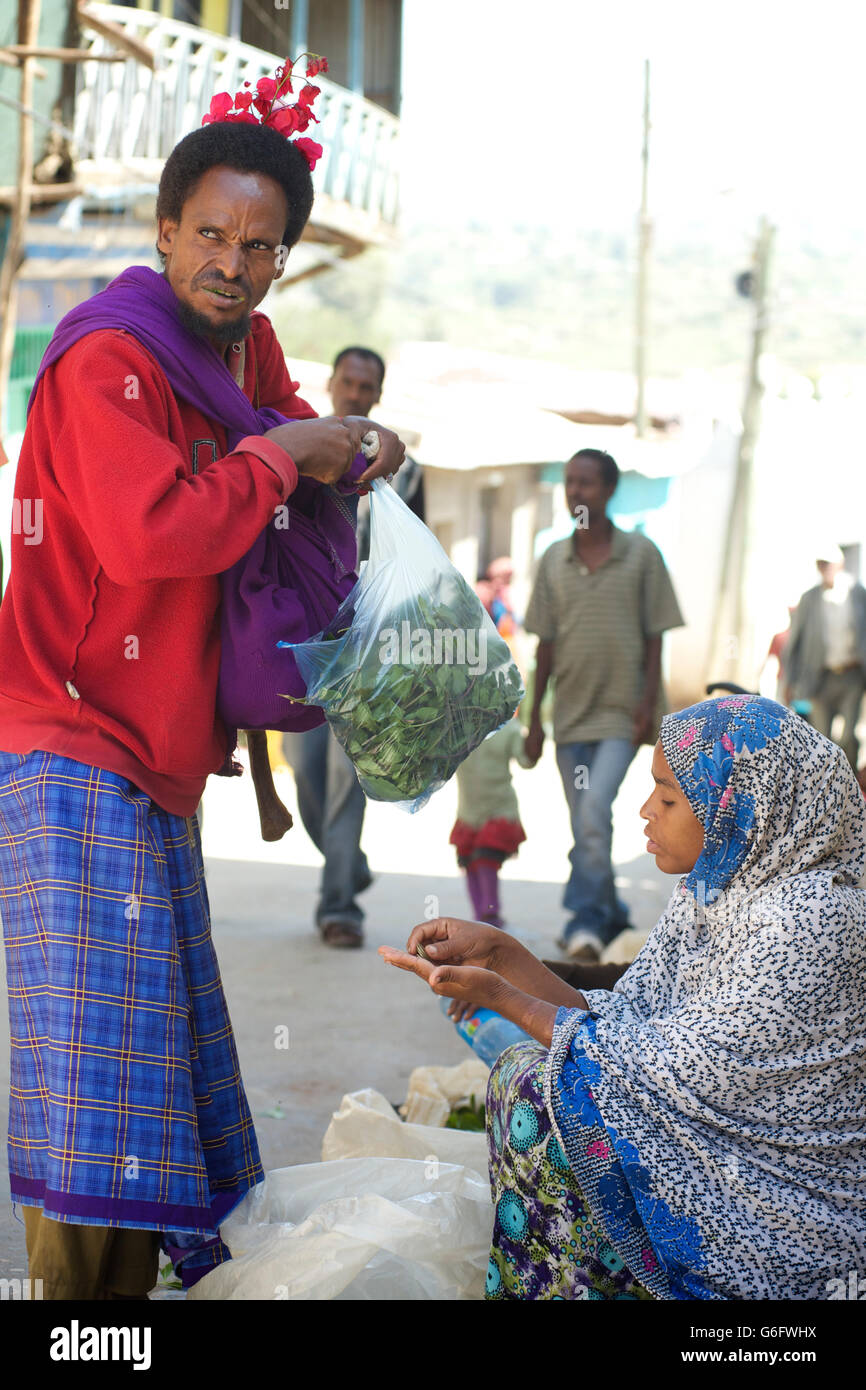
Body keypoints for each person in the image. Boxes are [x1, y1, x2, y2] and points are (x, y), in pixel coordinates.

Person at [0, 90, 404, 1299]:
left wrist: (355, 444)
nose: (232, 265)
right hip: (74, 742)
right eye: (212, 236)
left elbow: (291, 431)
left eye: (260, 245)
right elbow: (150, 534)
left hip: (160, 750)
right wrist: (288, 454)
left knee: (152, 1070)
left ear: (284, 256)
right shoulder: (108, 356)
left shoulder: (241, 349)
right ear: (166, 229)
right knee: (97, 1085)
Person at [381, 695, 866, 1300]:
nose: (645, 811)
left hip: (781, 1210)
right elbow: (624, 1017)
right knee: (531, 1068)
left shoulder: (811, 917)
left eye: (667, 797)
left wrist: (505, 996)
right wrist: (502, 955)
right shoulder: (713, 891)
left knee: (541, 1089)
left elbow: (681, 1067)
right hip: (718, 1151)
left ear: (739, 807)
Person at [523, 448, 684, 961]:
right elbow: (543, 644)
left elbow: (656, 636)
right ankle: (613, 914)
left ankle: (585, 921)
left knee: (594, 810)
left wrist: (647, 707)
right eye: (570, 483)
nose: (576, 493)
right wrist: (533, 721)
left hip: (620, 714)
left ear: (610, 490)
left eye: (587, 484)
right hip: (569, 715)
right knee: (586, 824)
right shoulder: (553, 559)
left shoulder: (641, 554)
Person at [280, 346, 393, 950]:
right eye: (347, 381)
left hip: (365, 649)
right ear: (332, 384)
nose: (354, 392)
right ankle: (349, 865)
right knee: (305, 777)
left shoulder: (404, 470)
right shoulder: (299, 446)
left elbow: (410, 557)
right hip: (302, 643)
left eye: (365, 385)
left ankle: (340, 908)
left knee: (349, 779)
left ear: (376, 394)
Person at [783, 544, 866, 767]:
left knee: (849, 735)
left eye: (828, 564)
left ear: (840, 564)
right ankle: (824, 788)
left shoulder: (858, 593)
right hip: (820, 677)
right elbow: (795, 641)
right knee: (821, 737)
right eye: (821, 564)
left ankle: (847, 788)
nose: (825, 568)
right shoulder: (809, 598)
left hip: (852, 674)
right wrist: (789, 681)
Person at [449, 713, 533, 928]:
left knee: (486, 859)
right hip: (468, 811)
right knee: (468, 860)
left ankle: (489, 914)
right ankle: (480, 916)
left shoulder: (509, 729)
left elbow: (526, 759)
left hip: (499, 810)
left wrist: (535, 725)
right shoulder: (459, 729)